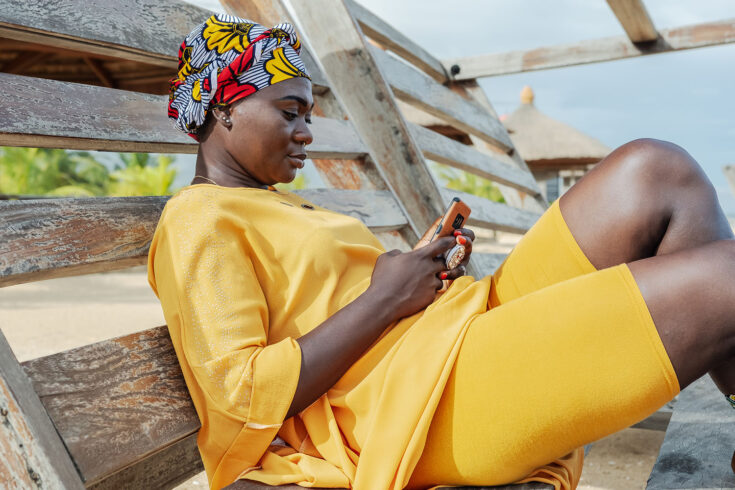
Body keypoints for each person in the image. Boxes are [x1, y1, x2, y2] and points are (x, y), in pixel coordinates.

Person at [148, 14, 735, 490]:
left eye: (309, 114)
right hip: (416, 405)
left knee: (657, 171)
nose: (307, 132)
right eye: (289, 112)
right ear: (223, 108)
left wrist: (416, 272)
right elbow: (239, 397)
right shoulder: (198, 218)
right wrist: (384, 299)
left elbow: (330, 301)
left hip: (454, 337)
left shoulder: (281, 205)